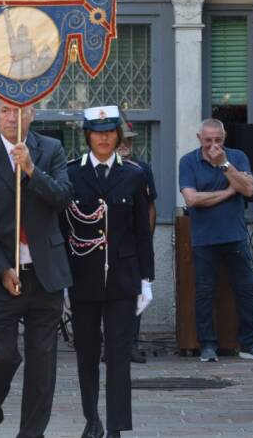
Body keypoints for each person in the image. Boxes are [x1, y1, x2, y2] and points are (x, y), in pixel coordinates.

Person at [0, 100, 74, 438]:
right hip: (1, 277)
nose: (13, 117)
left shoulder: (51, 149)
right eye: (5, 111)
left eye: (20, 111)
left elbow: (64, 196)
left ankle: (31, 433)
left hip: (45, 274)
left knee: (43, 364)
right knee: (2, 355)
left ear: (34, 113)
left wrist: (31, 170)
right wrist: (0, 269)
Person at [63, 105, 155, 438]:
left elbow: (142, 231)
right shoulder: (71, 173)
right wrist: (62, 282)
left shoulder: (134, 173)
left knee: (118, 356)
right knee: (86, 354)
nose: (104, 137)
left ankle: (116, 425)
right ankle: (92, 420)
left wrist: (147, 280)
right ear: (88, 136)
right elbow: (63, 229)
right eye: (97, 132)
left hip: (123, 278)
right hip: (82, 276)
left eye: (109, 131)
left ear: (118, 135)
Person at [178, 118, 253, 362]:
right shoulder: (188, 161)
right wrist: (228, 191)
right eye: (208, 140)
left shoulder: (236, 157)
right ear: (199, 138)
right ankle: (207, 344)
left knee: (245, 289)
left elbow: (249, 190)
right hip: (204, 237)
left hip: (235, 234)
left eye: (218, 140)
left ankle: (250, 342)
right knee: (204, 292)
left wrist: (224, 165)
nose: (213, 145)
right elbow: (192, 200)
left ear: (224, 138)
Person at [116, 118, 157, 364]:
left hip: (134, 243)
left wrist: (147, 239)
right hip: (108, 242)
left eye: (128, 141)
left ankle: (131, 343)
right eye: (121, 140)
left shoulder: (141, 169)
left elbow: (150, 207)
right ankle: (109, 345)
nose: (125, 145)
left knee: (136, 293)